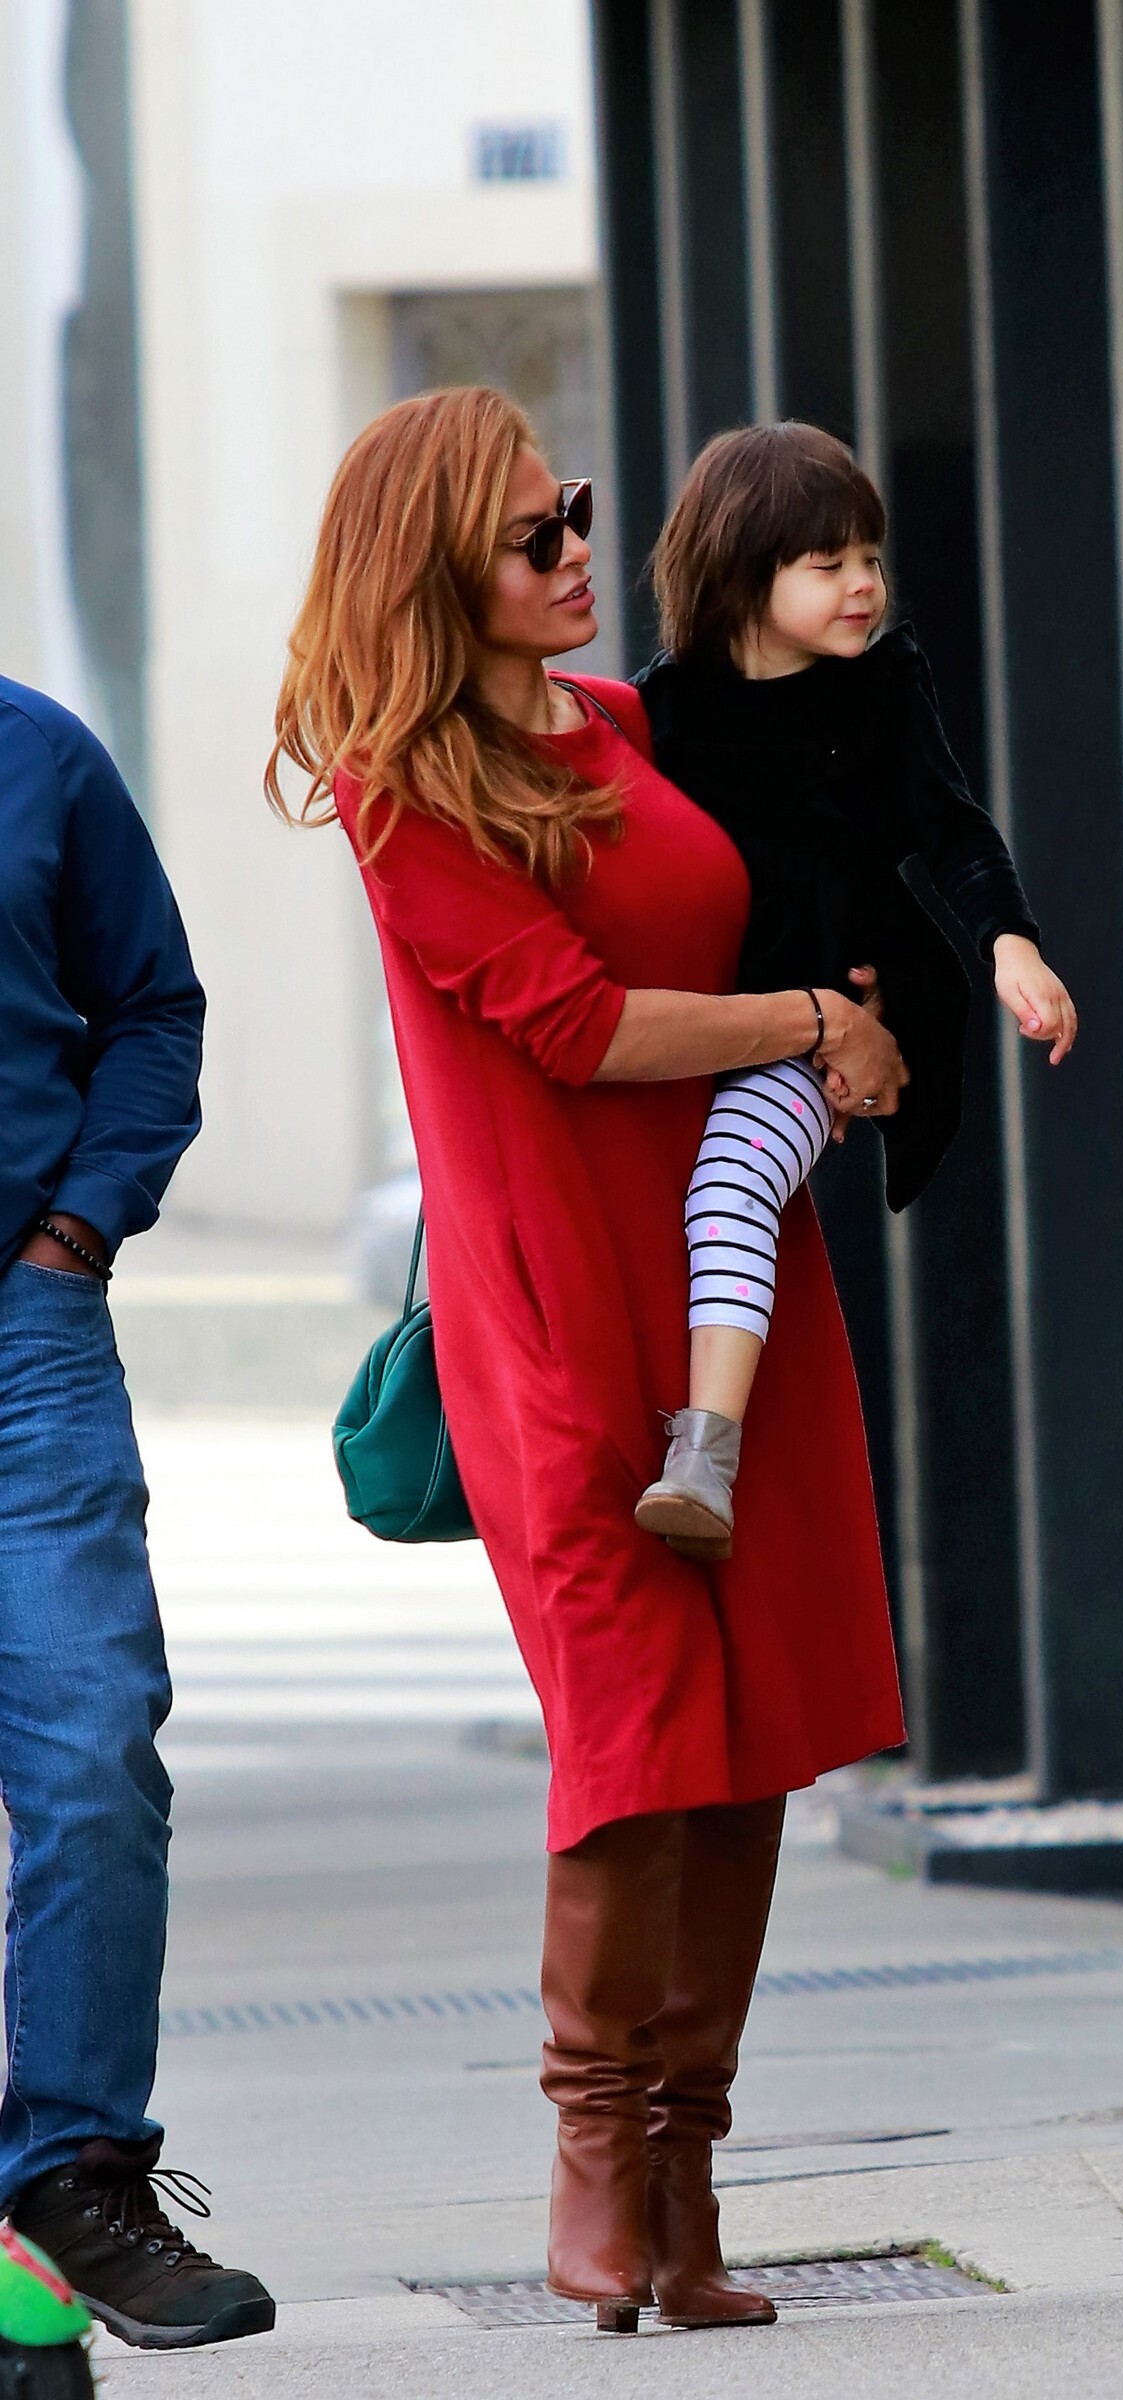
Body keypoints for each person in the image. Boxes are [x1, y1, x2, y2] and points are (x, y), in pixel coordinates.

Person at [267, 387, 907, 2334]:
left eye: (578, 516)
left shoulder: (627, 725)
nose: (573, 555)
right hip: (557, 1313)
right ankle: (592, 2164)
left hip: (728, 1295)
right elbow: (573, 1026)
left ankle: (685, 2192)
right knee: (637, 1735)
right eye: (532, 535)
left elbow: (820, 822)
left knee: (752, 1735)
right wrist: (804, 1020)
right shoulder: (401, 788)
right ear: (432, 570)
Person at [632, 422, 1077, 1557]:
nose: (864, 585)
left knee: (734, 1183)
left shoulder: (883, 689)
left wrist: (1011, 947)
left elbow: (955, 832)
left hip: (833, 1021)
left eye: (870, 558)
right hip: (698, 1027)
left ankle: (704, 1456)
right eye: (827, 564)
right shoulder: (660, 712)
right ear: (742, 573)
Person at [0, 677, 275, 2351]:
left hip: (21, 1330)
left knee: (94, 1742)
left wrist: (83, 1224)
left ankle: (76, 2178)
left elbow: (154, 1005)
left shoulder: (36, 755)